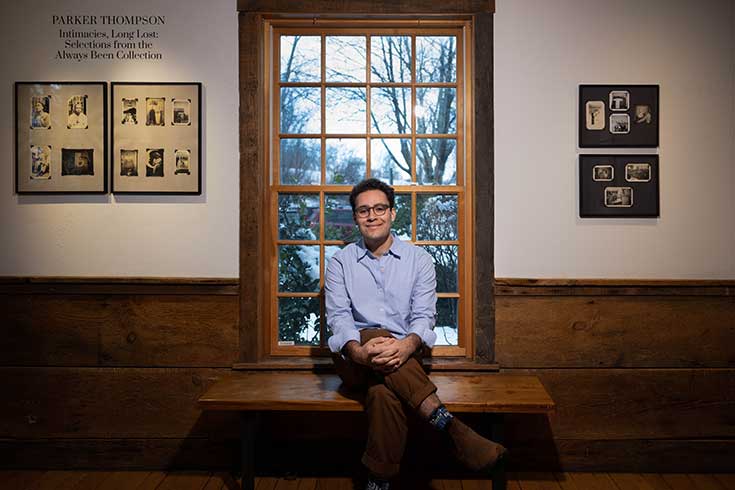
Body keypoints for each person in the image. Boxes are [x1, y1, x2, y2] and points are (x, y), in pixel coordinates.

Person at [325, 178, 507, 490]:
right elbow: (340, 320)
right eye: (364, 210)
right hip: (354, 360)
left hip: (403, 359)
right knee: (372, 333)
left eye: (380, 208)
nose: (372, 216)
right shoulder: (340, 263)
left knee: (381, 394)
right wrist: (359, 350)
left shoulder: (419, 261)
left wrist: (408, 344)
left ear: (392, 213)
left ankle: (378, 482)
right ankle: (451, 428)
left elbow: (424, 318)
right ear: (355, 217)